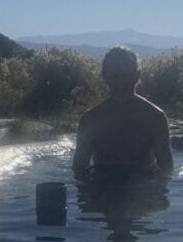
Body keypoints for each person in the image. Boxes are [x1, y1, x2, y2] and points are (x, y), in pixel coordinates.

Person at [73, 46, 173, 179]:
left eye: (127, 74)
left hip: (144, 189)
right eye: (114, 75)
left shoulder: (154, 118)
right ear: (105, 77)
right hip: (102, 189)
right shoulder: (91, 120)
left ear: (137, 75)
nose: (120, 81)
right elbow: (79, 169)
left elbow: (166, 170)